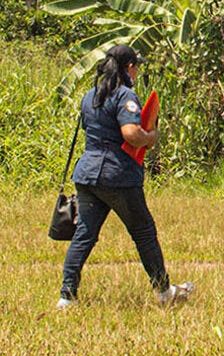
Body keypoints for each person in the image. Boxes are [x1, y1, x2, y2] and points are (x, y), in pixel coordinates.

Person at [57, 44, 193, 309]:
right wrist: (150, 137)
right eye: (136, 66)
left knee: (84, 234)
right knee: (144, 233)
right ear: (129, 67)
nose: (137, 71)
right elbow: (131, 133)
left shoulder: (90, 95)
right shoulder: (124, 95)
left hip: (87, 175)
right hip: (117, 175)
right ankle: (164, 291)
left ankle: (67, 296)